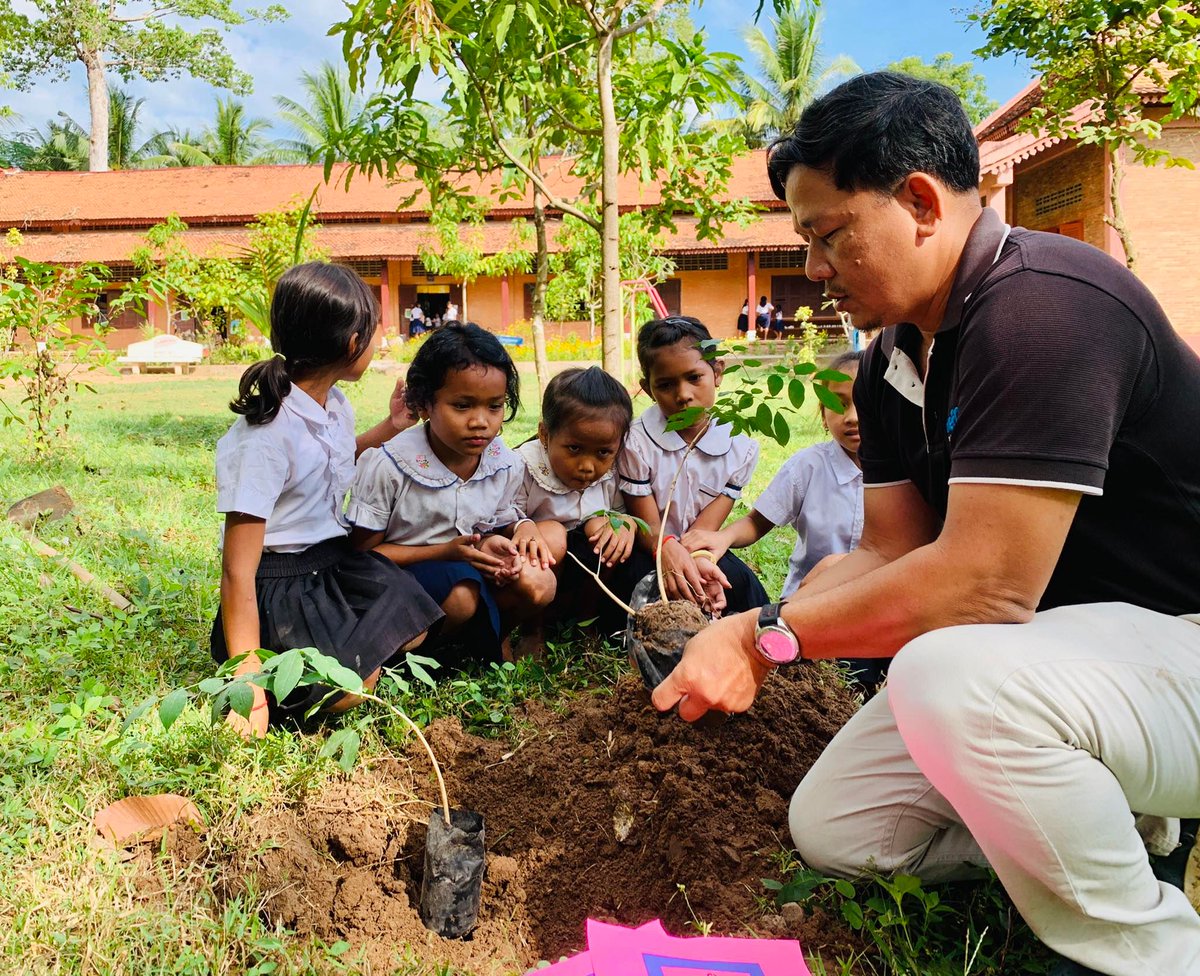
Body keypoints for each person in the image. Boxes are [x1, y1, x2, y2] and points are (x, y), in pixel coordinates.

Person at [651, 71, 1200, 976]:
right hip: (1074, 666)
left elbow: (984, 583)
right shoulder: (892, 361)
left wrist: (761, 640)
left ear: (918, 202)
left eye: (829, 235)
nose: (814, 271)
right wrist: (747, 624)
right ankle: (1124, 818)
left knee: (946, 671)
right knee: (837, 827)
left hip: (1176, 646)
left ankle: (1152, 951)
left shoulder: (1047, 308)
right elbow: (887, 548)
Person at [212, 262, 443, 739]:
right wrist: (247, 676)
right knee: (350, 689)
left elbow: (328, 463)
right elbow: (237, 569)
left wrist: (389, 428)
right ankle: (283, 683)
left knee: (414, 621)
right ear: (351, 344)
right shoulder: (264, 438)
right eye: (375, 330)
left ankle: (345, 664)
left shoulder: (333, 403)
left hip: (329, 562)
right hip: (280, 583)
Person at [348, 322, 556, 663]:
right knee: (461, 596)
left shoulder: (502, 462)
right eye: (462, 406)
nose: (480, 421)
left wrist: (519, 530)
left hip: (464, 568)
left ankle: (491, 634)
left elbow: (498, 521)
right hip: (400, 578)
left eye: (494, 406)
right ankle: (418, 656)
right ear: (426, 404)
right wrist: (443, 553)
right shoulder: (390, 466)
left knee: (539, 580)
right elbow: (363, 557)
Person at [679, 350, 881, 692]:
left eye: (865, 402)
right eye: (839, 404)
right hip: (811, 606)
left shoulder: (908, 472)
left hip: (879, 606)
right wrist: (723, 538)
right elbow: (758, 523)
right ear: (822, 413)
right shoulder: (808, 466)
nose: (852, 417)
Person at [617, 316, 768, 616]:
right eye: (666, 384)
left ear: (717, 372)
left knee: (738, 584)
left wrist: (700, 560)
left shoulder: (739, 447)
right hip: (646, 546)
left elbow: (703, 531)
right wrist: (666, 551)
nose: (683, 394)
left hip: (696, 546)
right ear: (648, 389)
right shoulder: (635, 442)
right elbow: (647, 524)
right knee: (636, 588)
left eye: (694, 378)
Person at [515, 366, 637, 639]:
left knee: (608, 527)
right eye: (574, 449)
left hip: (584, 570)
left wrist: (627, 523)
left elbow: (620, 510)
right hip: (534, 567)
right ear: (545, 436)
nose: (587, 466)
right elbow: (502, 513)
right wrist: (522, 526)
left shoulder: (614, 471)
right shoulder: (523, 466)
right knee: (553, 534)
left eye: (603, 452)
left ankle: (586, 619)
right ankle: (532, 628)